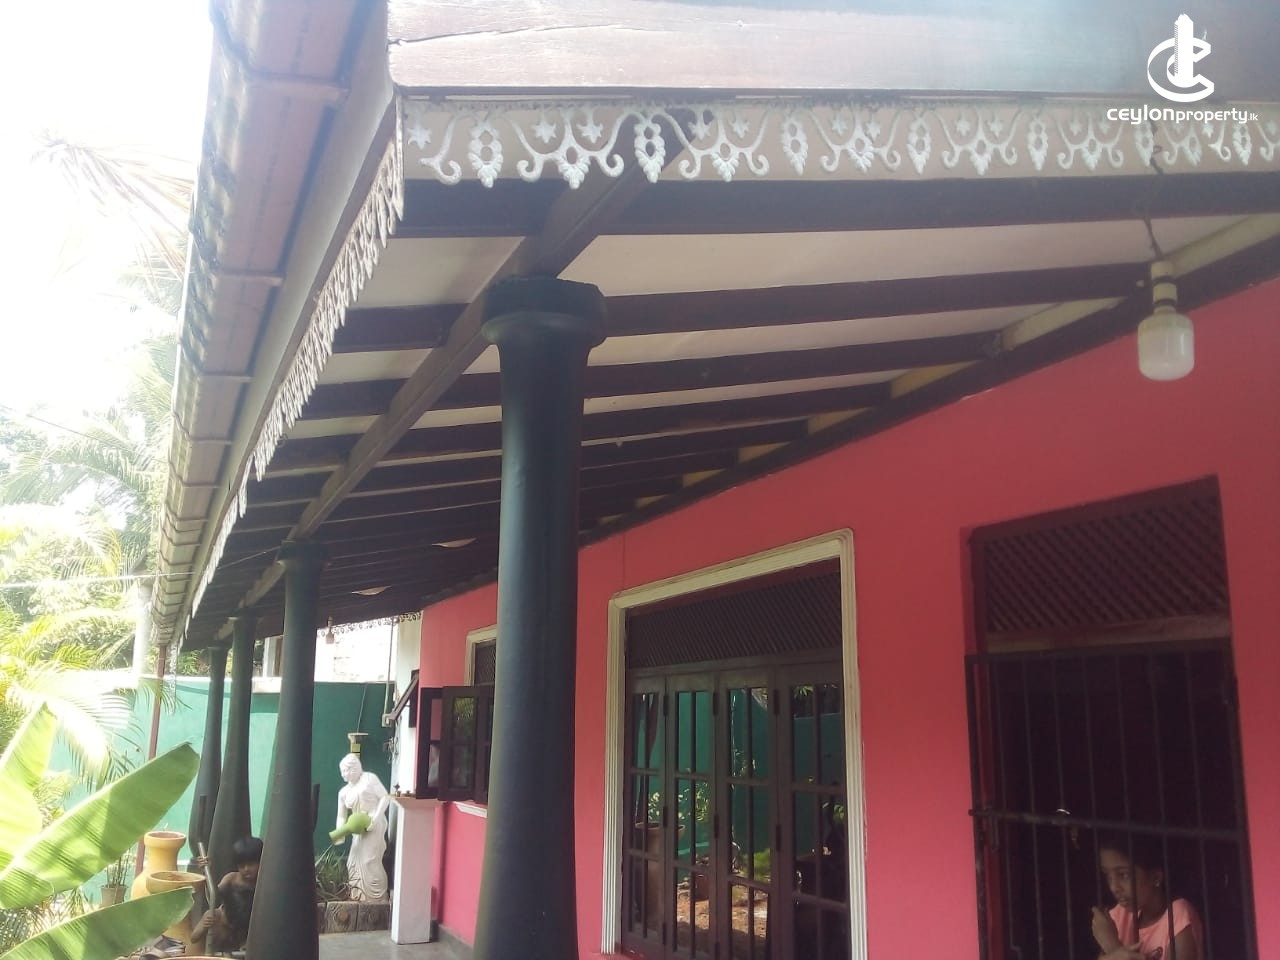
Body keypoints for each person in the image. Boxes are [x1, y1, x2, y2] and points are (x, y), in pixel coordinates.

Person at [1091, 833, 1203, 960]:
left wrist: (1113, 947)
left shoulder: (1177, 916)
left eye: (1124, 875)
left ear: (1156, 877)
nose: (1113, 887)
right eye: (1108, 875)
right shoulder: (1120, 916)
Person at [335, 752, 391, 901]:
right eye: (342, 772)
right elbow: (341, 816)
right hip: (358, 829)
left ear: (354, 768)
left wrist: (375, 818)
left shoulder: (369, 779)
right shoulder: (343, 792)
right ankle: (359, 896)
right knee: (352, 863)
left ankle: (378, 898)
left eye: (345, 771)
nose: (343, 775)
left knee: (369, 861)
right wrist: (340, 833)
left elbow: (385, 797)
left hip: (374, 824)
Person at [191, 835, 261, 954]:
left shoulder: (263, 881)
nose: (246, 869)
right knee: (214, 922)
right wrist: (206, 871)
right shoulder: (232, 879)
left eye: (251, 864)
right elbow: (213, 896)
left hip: (248, 927)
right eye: (241, 866)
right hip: (226, 923)